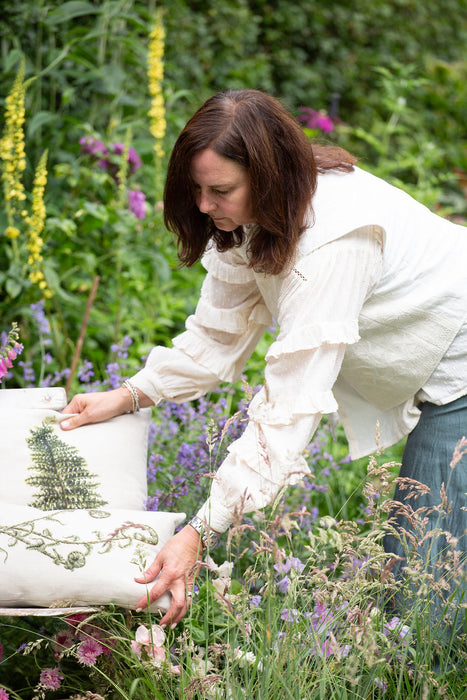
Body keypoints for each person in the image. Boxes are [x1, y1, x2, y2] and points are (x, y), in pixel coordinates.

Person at [61, 89, 467, 631]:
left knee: (419, 585)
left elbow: (289, 409)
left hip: (459, 367)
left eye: (220, 190)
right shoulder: (249, 218)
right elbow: (215, 337)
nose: (204, 205)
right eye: (196, 189)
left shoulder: (333, 243)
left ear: (269, 174)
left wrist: (198, 534)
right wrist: (130, 393)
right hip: (432, 361)